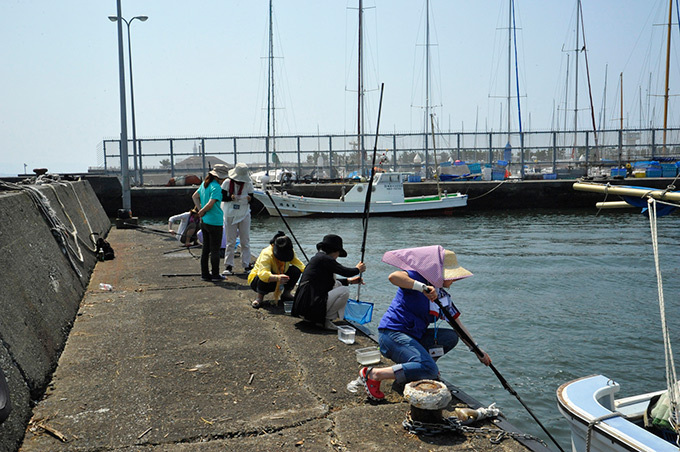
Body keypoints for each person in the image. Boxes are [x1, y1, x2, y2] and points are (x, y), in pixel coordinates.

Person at [356, 245, 491, 401]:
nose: (454, 279)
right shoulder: (418, 278)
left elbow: (458, 325)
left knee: (451, 336)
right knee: (430, 370)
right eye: (450, 275)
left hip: (414, 338)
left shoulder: (443, 297)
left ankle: (419, 368)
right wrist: (422, 288)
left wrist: (478, 351)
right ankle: (373, 374)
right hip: (392, 335)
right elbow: (394, 277)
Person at [292, 234, 365, 330]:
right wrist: (358, 269)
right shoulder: (325, 259)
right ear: (334, 250)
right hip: (309, 307)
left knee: (337, 284)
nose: (337, 256)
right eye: (338, 253)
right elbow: (345, 271)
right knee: (344, 291)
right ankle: (326, 320)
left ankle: (315, 318)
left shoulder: (319, 258)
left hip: (304, 306)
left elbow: (328, 281)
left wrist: (349, 281)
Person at [247, 231, 305, 309]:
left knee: (296, 270)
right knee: (262, 276)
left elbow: (300, 265)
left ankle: (286, 294)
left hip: (280, 278)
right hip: (258, 282)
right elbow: (263, 273)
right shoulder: (266, 253)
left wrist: (309, 274)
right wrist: (276, 278)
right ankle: (259, 298)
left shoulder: (290, 251)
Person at [191, 164, 229, 282]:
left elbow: (194, 196)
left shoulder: (204, 184)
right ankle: (216, 275)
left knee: (205, 249)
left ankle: (205, 274)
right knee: (215, 250)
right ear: (219, 177)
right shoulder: (216, 187)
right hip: (215, 222)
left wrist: (199, 209)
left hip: (205, 222)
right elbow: (212, 203)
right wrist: (201, 211)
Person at [221, 163, 254, 275]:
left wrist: (249, 198)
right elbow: (223, 197)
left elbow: (252, 198)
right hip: (230, 213)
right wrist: (231, 197)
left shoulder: (248, 183)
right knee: (230, 241)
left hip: (244, 213)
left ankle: (246, 265)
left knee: (245, 241)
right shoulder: (227, 183)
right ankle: (228, 265)